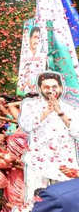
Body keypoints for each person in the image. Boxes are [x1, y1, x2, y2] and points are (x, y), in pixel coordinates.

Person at [19, 71, 79, 206]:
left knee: (66, 204)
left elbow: (77, 132)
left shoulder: (71, 108)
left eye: (54, 87)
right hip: (38, 164)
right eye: (46, 87)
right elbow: (26, 126)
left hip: (64, 165)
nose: (51, 91)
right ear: (40, 88)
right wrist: (46, 112)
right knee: (35, 202)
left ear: (61, 88)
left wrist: (60, 112)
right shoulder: (30, 105)